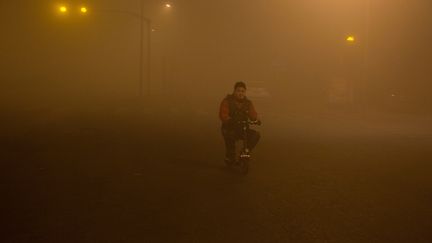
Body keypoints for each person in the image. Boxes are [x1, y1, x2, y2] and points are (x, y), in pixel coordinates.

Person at [219, 81, 261, 164]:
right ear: (234, 91)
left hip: (243, 129)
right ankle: (230, 157)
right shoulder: (227, 101)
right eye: (238, 91)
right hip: (229, 128)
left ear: (245, 92)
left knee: (256, 135)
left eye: (242, 91)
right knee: (230, 142)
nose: (240, 93)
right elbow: (223, 115)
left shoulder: (248, 103)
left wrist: (256, 120)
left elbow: (253, 115)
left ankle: (244, 152)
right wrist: (229, 120)